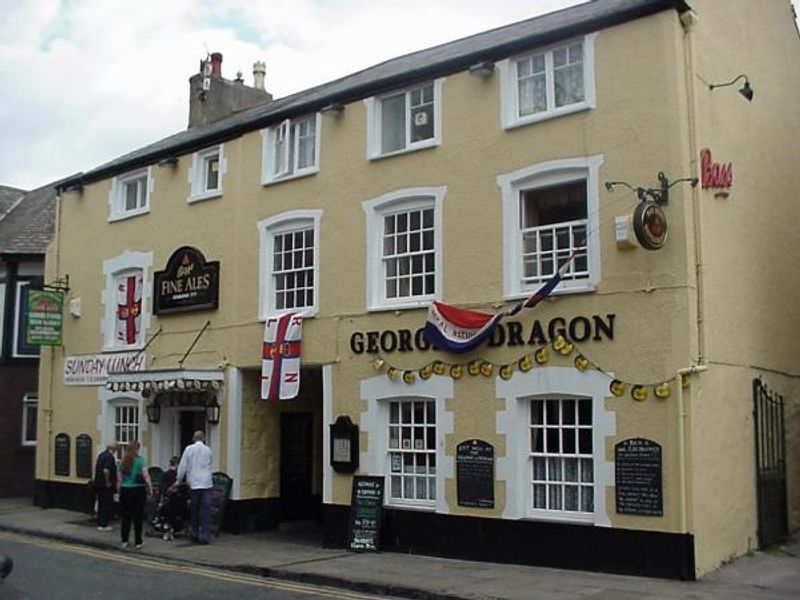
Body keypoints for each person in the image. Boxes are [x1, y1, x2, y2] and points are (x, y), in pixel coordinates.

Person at [174, 430, 213, 544]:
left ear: (193, 438)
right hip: (206, 483)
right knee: (205, 510)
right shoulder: (208, 450)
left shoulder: (189, 449)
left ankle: (195, 533)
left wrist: (178, 480)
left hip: (194, 483)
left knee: (194, 510)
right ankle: (205, 536)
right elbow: (210, 464)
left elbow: (183, 467)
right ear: (204, 438)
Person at [117, 440, 153, 550]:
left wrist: (119, 491)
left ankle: (124, 540)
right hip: (138, 490)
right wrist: (150, 489)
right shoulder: (140, 461)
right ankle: (138, 541)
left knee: (125, 517)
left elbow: (119, 479)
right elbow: (146, 476)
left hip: (125, 490)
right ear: (137, 449)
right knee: (138, 517)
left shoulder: (122, 462)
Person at [93, 441, 118, 531]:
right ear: (113, 449)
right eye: (116, 449)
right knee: (105, 504)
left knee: (101, 503)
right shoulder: (109, 457)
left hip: (98, 484)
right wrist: (108, 482)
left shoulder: (101, 455)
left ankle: (100, 523)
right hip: (105, 486)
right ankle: (104, 524)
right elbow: (106, 470)